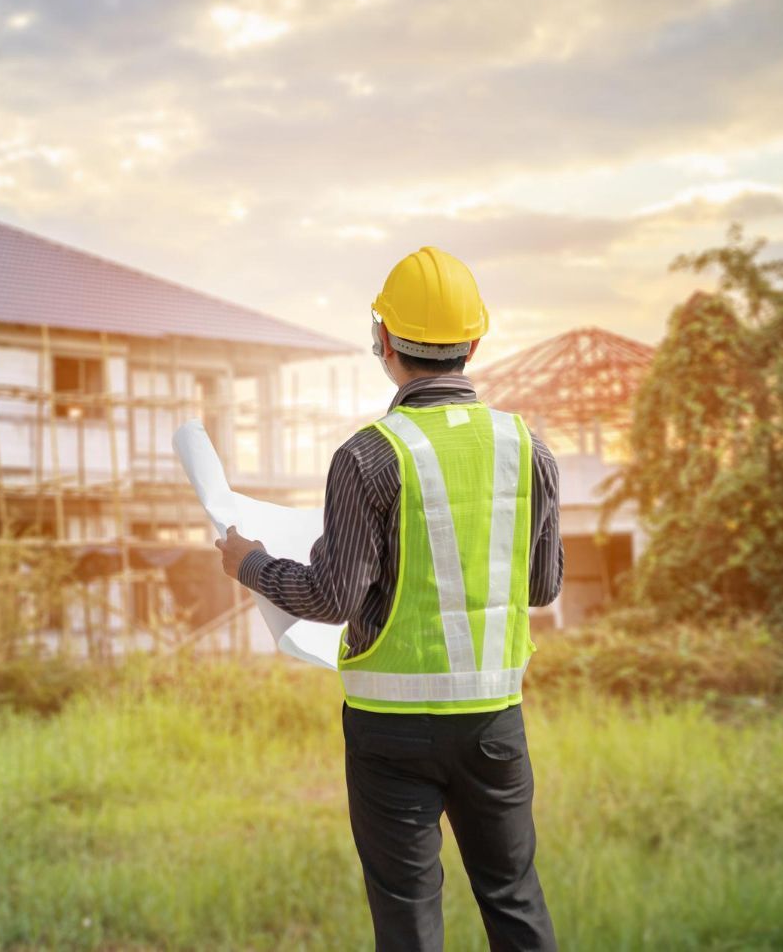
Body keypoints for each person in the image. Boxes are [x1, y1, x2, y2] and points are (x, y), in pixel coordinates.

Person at [214, 246, 562, 951]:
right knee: (514, 900)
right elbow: (543, 586)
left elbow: (331, 595)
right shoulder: (529, 448)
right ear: (473, 342)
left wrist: (249, 563)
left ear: (381, 341)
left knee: (407, 918)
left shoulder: (367, 456)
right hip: (494, 721)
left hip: (389, 731)